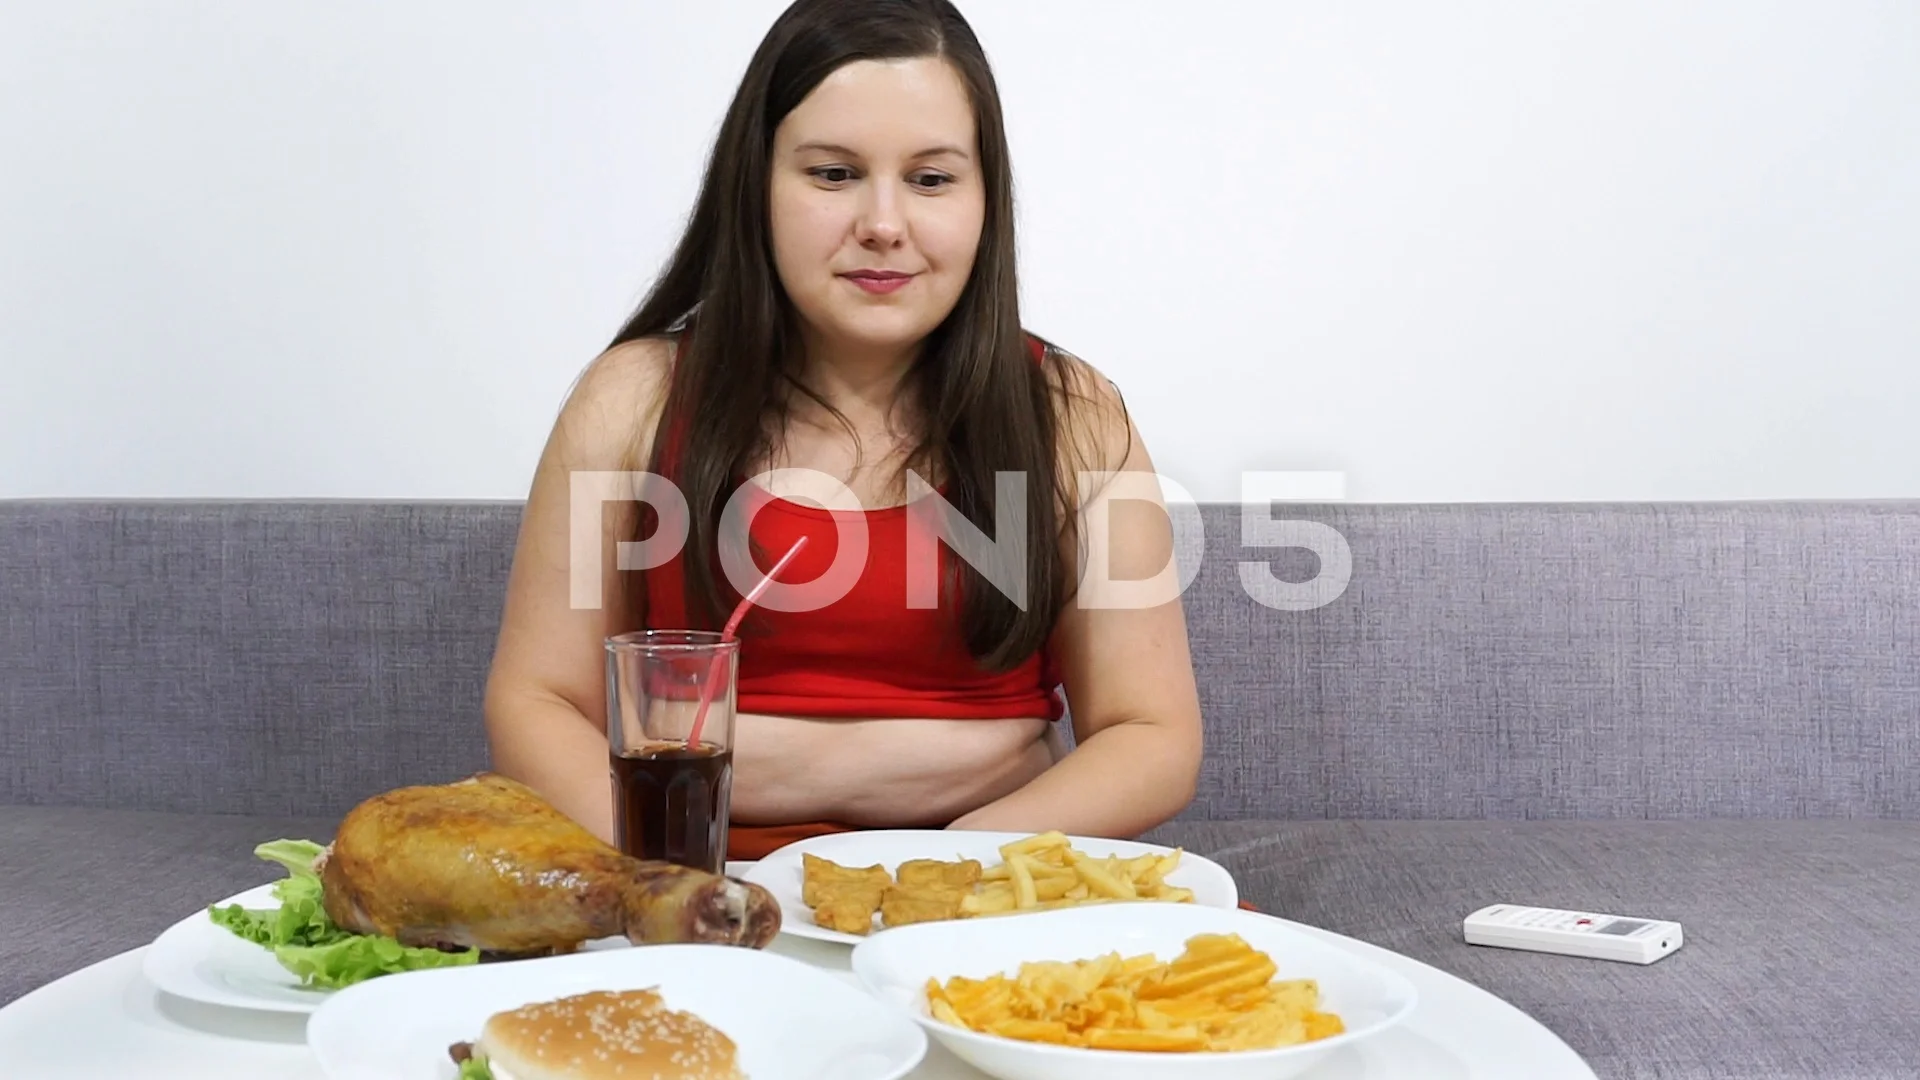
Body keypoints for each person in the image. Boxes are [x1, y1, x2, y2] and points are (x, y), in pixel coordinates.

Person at [483, 0, 1204, 861]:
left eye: (931, 179)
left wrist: (946, 868)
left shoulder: (1072, 413)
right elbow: (536, 703)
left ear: (985, 199)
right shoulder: (633, 397)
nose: (884, 225)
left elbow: (1153, 734)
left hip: (974, 889)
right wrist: (676, 881)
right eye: (832, 174)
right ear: (756, 184)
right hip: (690, 878)